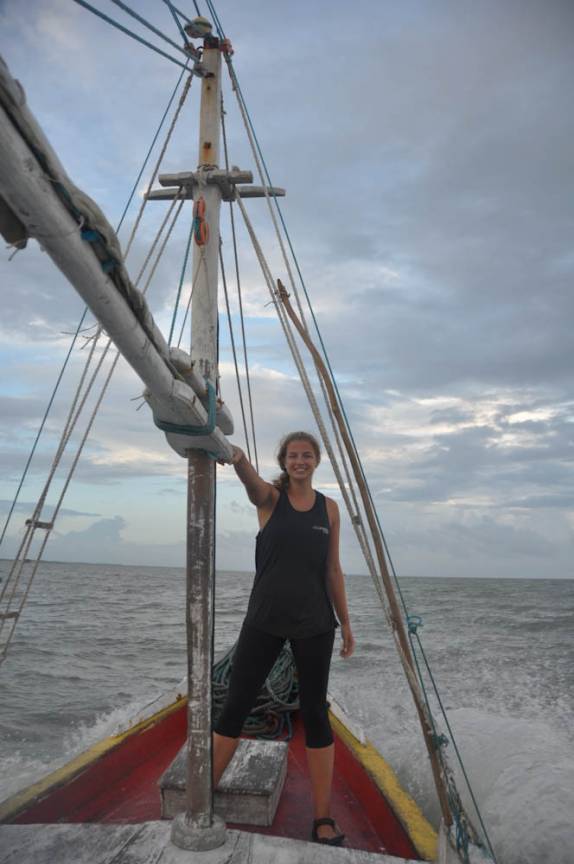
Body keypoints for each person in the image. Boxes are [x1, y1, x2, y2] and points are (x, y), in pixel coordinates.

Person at [213, 431, 355, 846]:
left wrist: (345, 622)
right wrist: (238, 459)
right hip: (265, 619)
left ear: (316, 461)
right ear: (284, 461)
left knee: (314, 712)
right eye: (293, 456)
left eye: (307, 455)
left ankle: (323, 817)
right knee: (237, 704)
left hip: (315, 623)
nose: (300, 461)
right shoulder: (270, 500)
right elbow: (252, 485)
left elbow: (333, 570)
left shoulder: (329, 509)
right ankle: (202, 797)